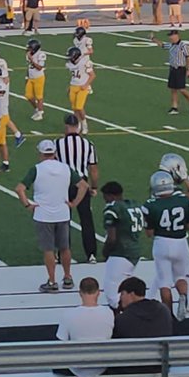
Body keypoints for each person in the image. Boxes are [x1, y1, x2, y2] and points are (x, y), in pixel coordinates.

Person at [17, 139, 88, 292]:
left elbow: (20, 189)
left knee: (48, 249)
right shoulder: (65, 168)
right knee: (65, 248)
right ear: (54, 153)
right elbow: (83, 186)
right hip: (63, 213)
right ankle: (67, 277)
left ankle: (52, 281)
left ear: (41, 153)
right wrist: (74, 203)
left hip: (43, 214)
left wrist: (27, 205)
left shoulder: (36, 169)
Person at [143, 171, 189, 320]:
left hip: (162, 243)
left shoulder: (150, 205)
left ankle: (168, 316)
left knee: (164, 282)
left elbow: (149, 233)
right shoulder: (183, 200)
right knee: (181, 276)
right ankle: (183, 296)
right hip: (181, 242)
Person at [53, 277, 114, 377]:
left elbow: (61, 342)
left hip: (77, 366)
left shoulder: (68, 314)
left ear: (80, 293)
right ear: (98, 293)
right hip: (102, 365)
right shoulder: (108, 313)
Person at [56, 113, 99, 264]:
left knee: (63, 220)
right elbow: (93, 169)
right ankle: (91, 254)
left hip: (64, 184)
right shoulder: (88, 144)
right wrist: (94, 186)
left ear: (66, 126)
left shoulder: (58, 143)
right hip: (82, 183)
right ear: (78, 126)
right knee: (86, 219)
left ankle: (62, 253)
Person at [100, 182, 145, 308]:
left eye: (105, 197)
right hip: (134, 250)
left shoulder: (113, 208)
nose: (105, 200)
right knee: (124, 289)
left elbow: (112, 238)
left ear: (111, 195)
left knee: (112, 294)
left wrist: (106, 251)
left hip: (121, 253)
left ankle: (122, 317)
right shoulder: (133, 205)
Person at [150, 30, 189, 115]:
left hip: (180, 69)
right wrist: (153, 39)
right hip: (173, 69)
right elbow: (162, 45)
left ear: (176, 36)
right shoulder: (171, 45)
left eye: (171, 35)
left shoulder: (183, 45)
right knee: (173, 89)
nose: (170, 37)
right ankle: (174, 107)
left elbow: (188, 57)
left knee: (181, 89)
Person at [66, 46, 95, 135]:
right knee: (75, 108)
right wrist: (70, 86)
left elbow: (92, 75)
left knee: (79, 107)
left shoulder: (85, 62)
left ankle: (84, 125)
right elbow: (74, 76)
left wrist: (86, 85)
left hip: (82, 87)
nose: (69, 58)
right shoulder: (69, 64)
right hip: (73, 86)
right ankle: (77, 125)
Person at [25, 38, 46, 120]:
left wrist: (32, 59)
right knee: (28, 96)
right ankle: (37, 109)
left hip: (38, 78)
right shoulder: (29, 54)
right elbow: (29, 67)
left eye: (30, 48)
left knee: (39, 96)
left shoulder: (41, 54)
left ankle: (40, 113)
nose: (28, 49)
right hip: (31, 77)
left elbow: (40, 67)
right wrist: (27, 77)